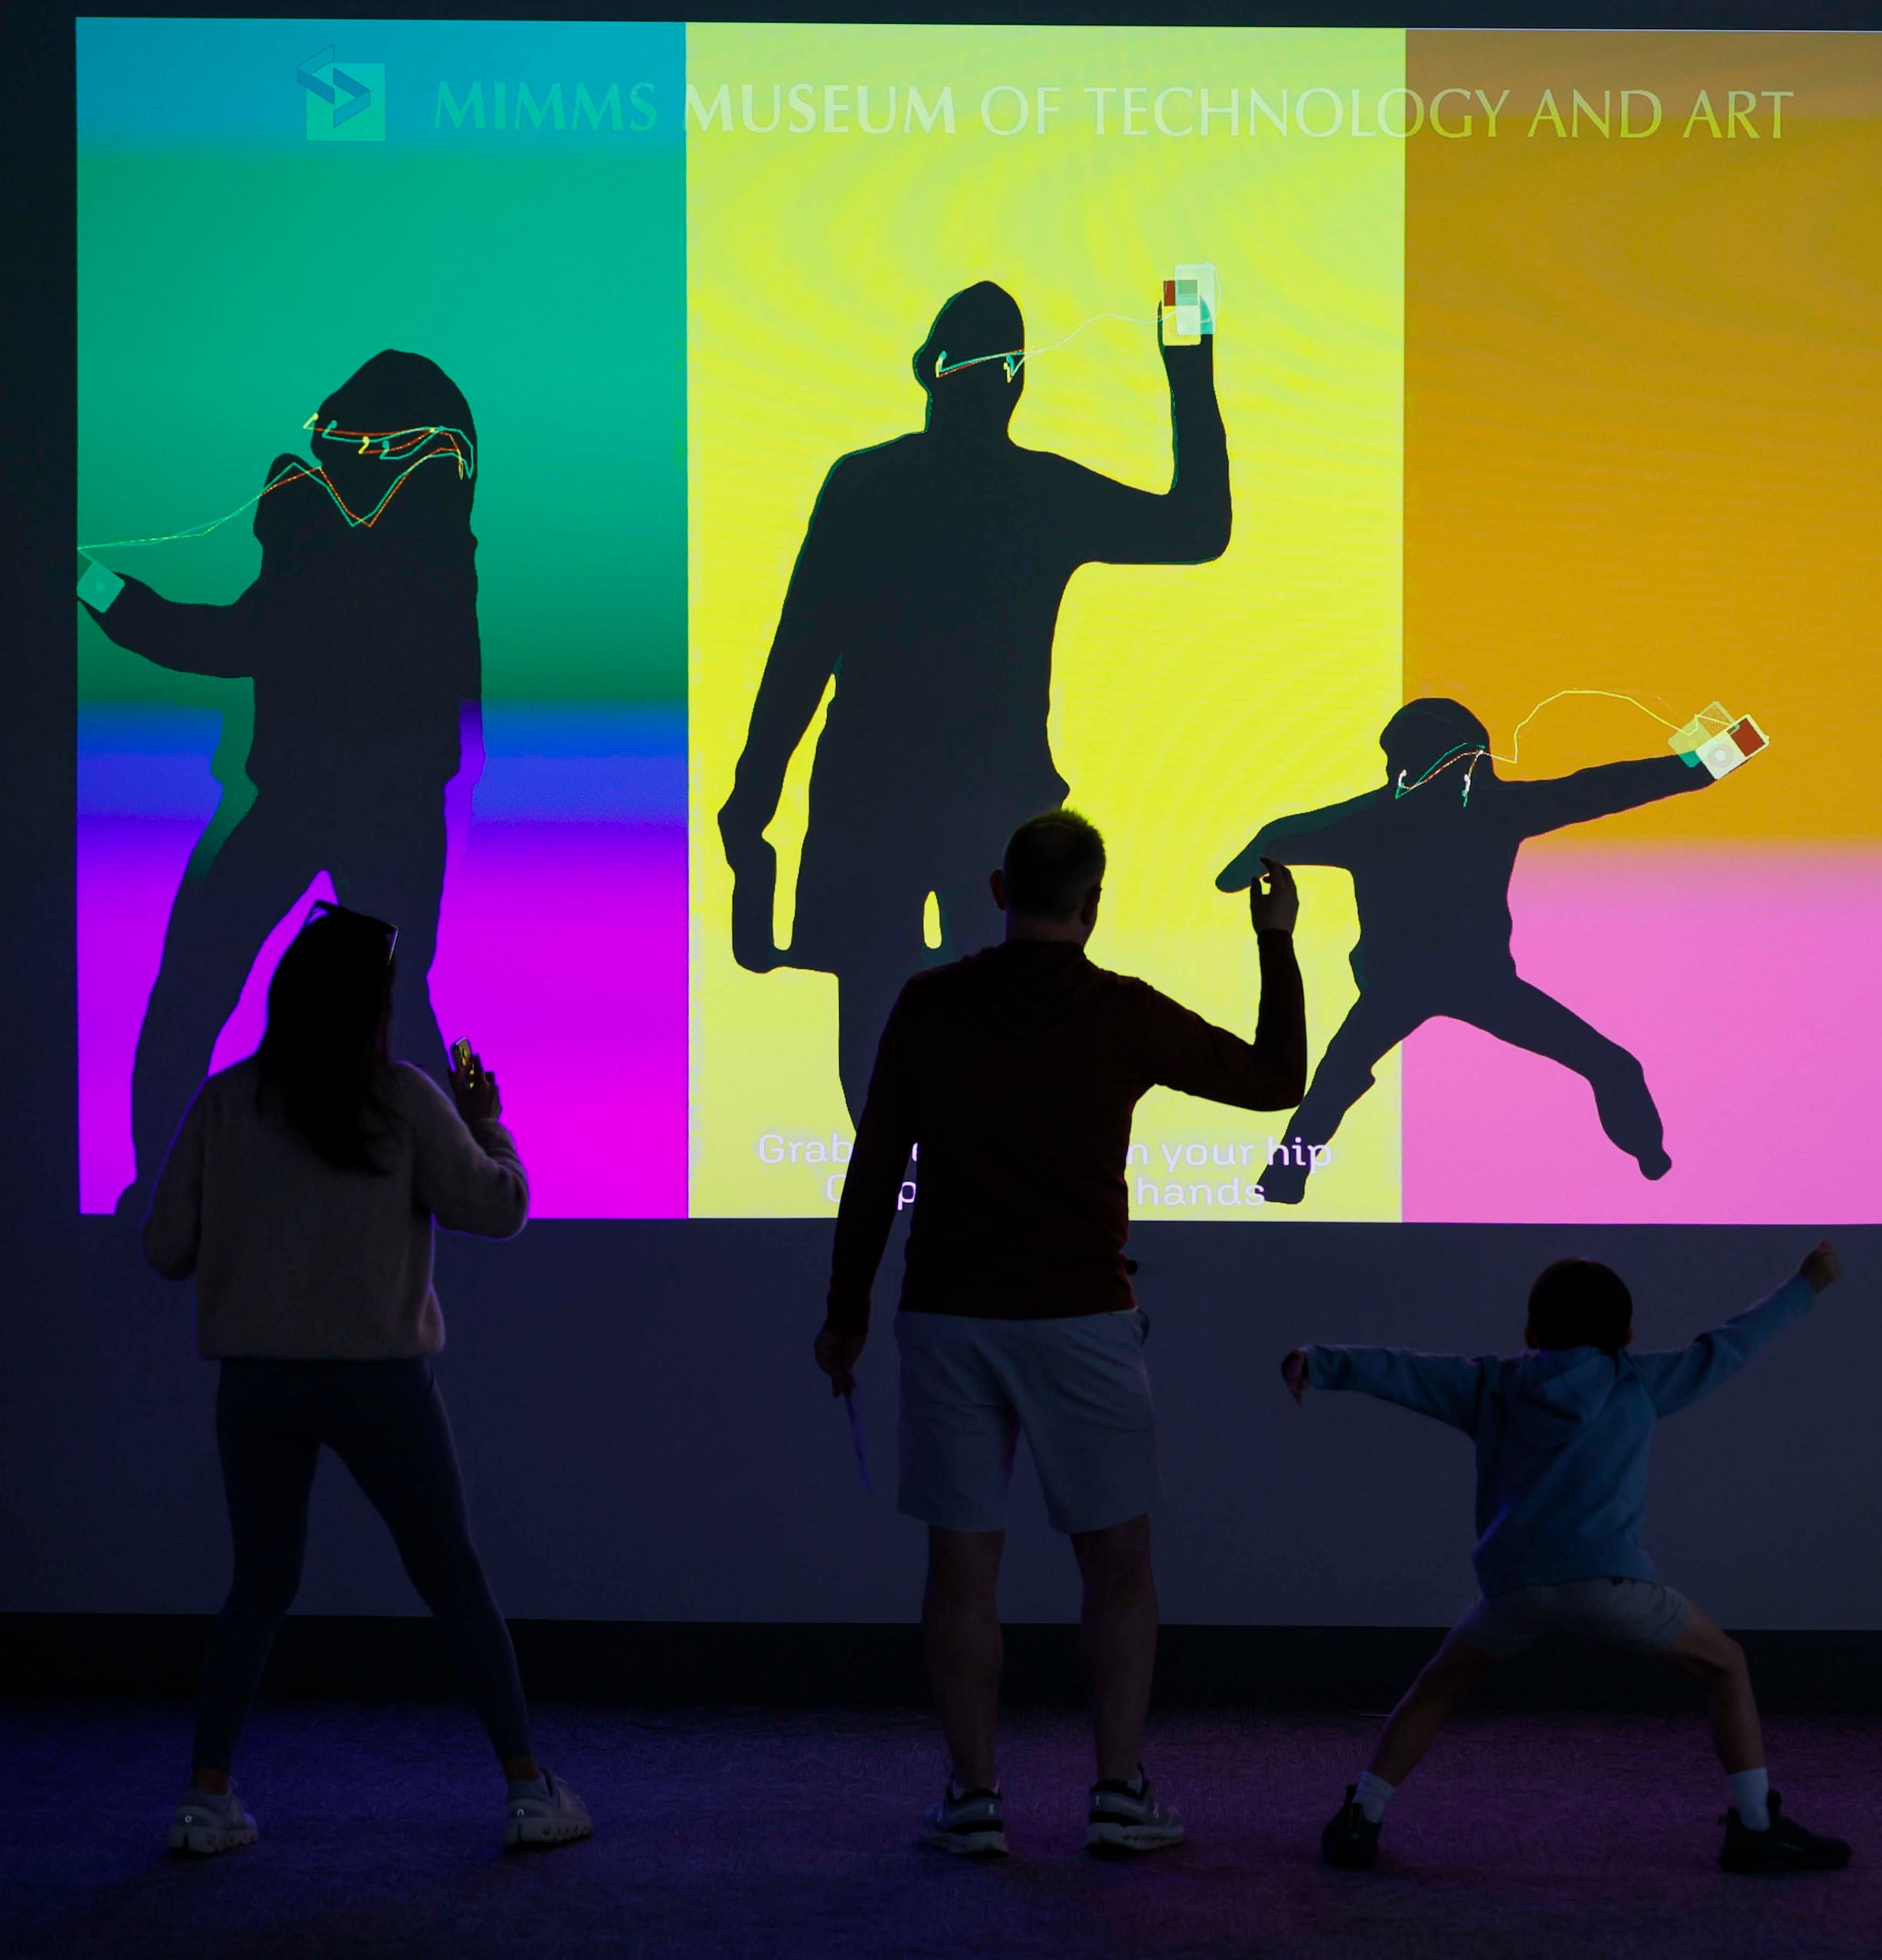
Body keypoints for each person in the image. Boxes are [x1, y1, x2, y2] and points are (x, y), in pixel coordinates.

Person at [816, 811, 1302, 1857]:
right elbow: (1276, 1081)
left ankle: (974, 1799)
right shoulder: (1118, 1012)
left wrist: (844, 1315)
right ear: (1095, 901)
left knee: (962, 1567)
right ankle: (1120, 1793)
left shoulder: (930, 1004)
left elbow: (872, 1173)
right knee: (1117, 1561)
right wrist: (1276, 942)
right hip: (1084, 1314)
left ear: (998, 887)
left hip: (947, 1313)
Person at [720, 281, 1232, 1117]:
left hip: (914, 807)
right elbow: (800, 650)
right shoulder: (1017, 491)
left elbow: (800, 653)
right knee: (934, 1036)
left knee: (900, 1040)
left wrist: (755, 795)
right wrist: (1188, 352)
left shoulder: (874, 484)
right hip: (945, 810)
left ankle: (924, 1215)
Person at [142, 902, 590, 1854]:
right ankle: (527, 1787)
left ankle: (204, 1795)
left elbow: (164, 1245)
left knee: (258, 1587)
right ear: (374, 1006)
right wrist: (490, 1123)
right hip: (382, 1382)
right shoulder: (406, 1099)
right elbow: (499, 1207)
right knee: (454, 1581)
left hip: (257, 1384)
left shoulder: (227, 1101)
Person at [1282, 1243, 1852, 1875]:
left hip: (1514, 1591)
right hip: (1613, 1586)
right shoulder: (1639, 1381)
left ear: (1529, 1331)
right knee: (1726, 1667)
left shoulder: (1491, 1386)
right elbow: (1732, 1344)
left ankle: (1363, 1817)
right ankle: (1754, 1826)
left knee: (1437, 1688)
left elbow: (1402, 1371)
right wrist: (1807, 1284)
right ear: (1628, 1333)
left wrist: (1318, 1363)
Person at [81, 349, 482, 1218]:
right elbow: (229, 636)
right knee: (364, 998)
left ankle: (161, 1195)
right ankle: (460, 1187)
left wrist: (93, 585)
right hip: (354, 808)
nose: (324, 452)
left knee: (211, 985)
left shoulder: (381, 553)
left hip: (345, 808)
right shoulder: (402, 545)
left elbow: (219, 639)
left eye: (346, 439)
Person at [1216, 697, 1727, 1204]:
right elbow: (1603, 788)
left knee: (1338, 1076)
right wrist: (1714, 758)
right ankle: (1282, 1178)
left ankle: (1282, 1179)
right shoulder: (1482, 810)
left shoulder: (1383, 818)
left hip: (1426, 984)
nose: (1394, 771)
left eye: (1399, 760)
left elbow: (1276, 836)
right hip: (1461, 983)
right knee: (1611, 1065)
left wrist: (1242, 872)